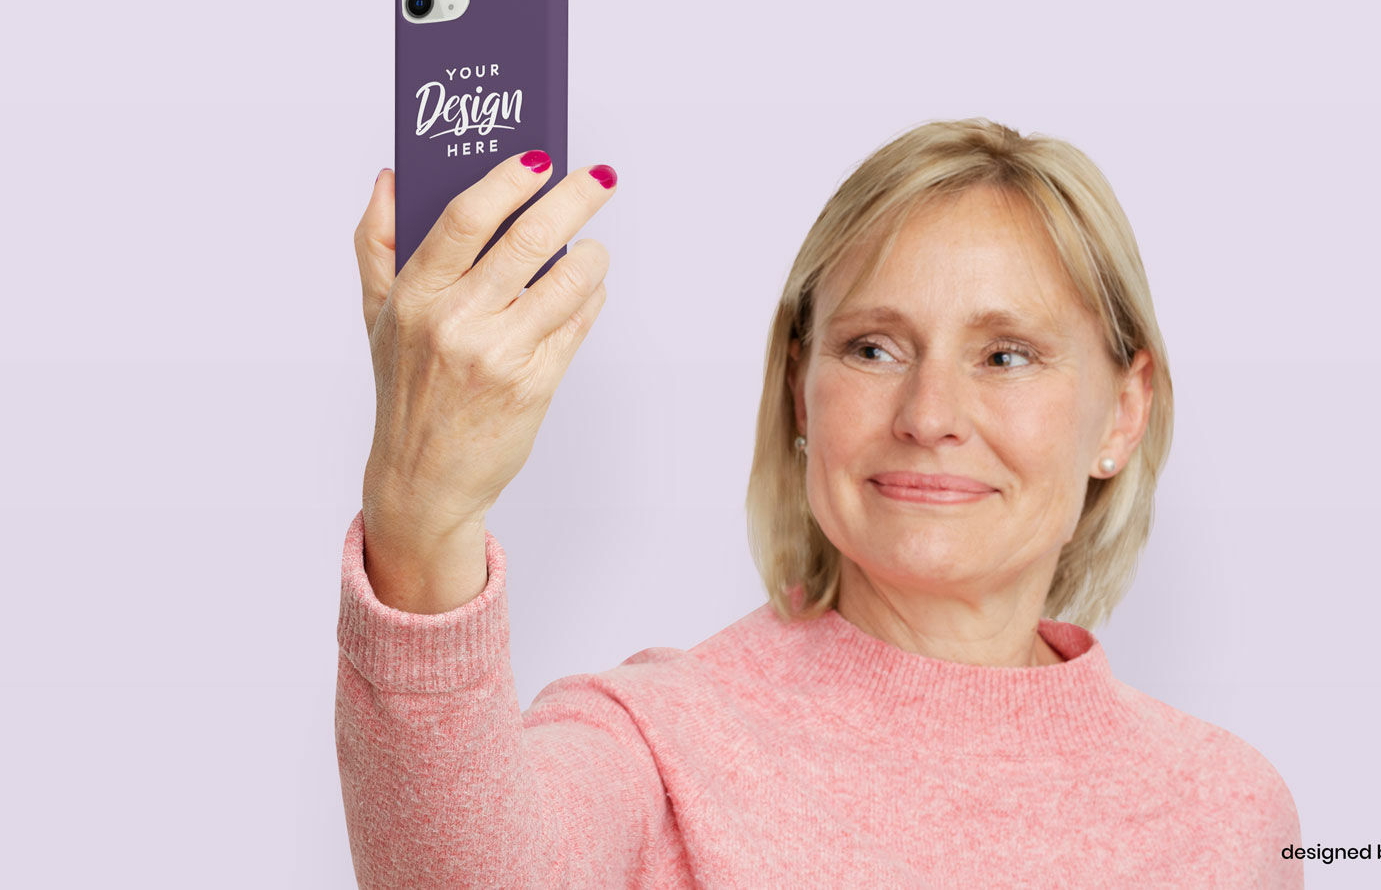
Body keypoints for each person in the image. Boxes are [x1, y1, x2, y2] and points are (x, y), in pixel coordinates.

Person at [339, 118, 1305, 887]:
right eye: (874, 347)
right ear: (800, 384)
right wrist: (423, 513)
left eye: (1006, 354)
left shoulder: (1228, 813)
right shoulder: (653, 747)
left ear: (1122, 412)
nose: (929, 415)